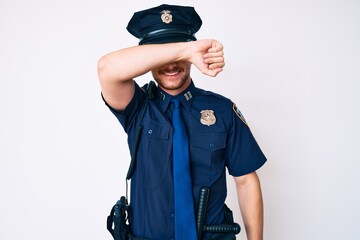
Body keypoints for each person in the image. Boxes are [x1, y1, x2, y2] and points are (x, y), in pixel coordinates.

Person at [98, 4, 267, 240]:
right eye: (163, 54)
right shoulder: (136, 107)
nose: (171, 65)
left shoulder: (223, 110)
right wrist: (184, 50)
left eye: (180, 55)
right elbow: (107, 68)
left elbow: (246, 180)